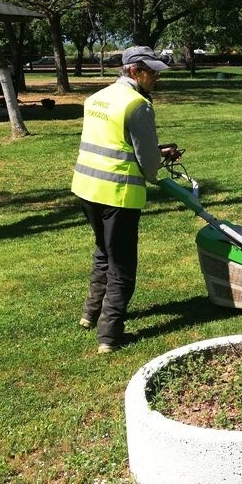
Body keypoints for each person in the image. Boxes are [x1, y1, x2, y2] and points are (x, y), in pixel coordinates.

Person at [71, 46, 176, 354]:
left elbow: (113, 141)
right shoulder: (137, 105)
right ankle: (109, 336)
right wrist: (157, 166)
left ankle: (89, 315)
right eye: (152, 71)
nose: (156, 77)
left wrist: (157, 151)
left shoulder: (96, 98)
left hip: (86, 187)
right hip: (118, 194)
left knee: (103, 252)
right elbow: (146, 162)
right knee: (122, 265)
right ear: (134, 71)